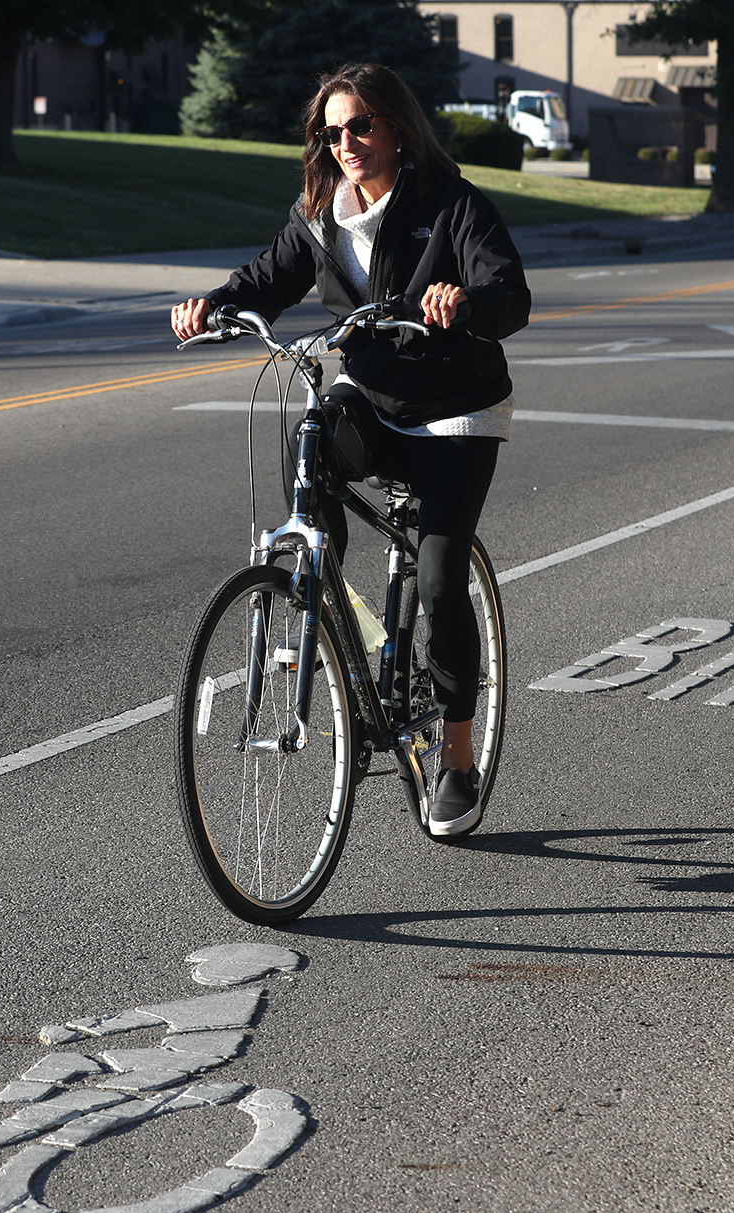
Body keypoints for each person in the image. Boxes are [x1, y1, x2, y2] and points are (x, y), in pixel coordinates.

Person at [172, 61, 530, 839]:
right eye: (331, 132)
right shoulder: (319, 214)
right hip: (373, 398)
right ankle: (315, 603)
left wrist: (464, 302)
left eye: (360, 125)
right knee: (313, 437)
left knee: (440, 579)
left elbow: (512, 297)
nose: (346, 142)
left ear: (397, 128)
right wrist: (216, 307)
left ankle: (458, 761)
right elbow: (269, 278)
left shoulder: (451, 206)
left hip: (456, 412)